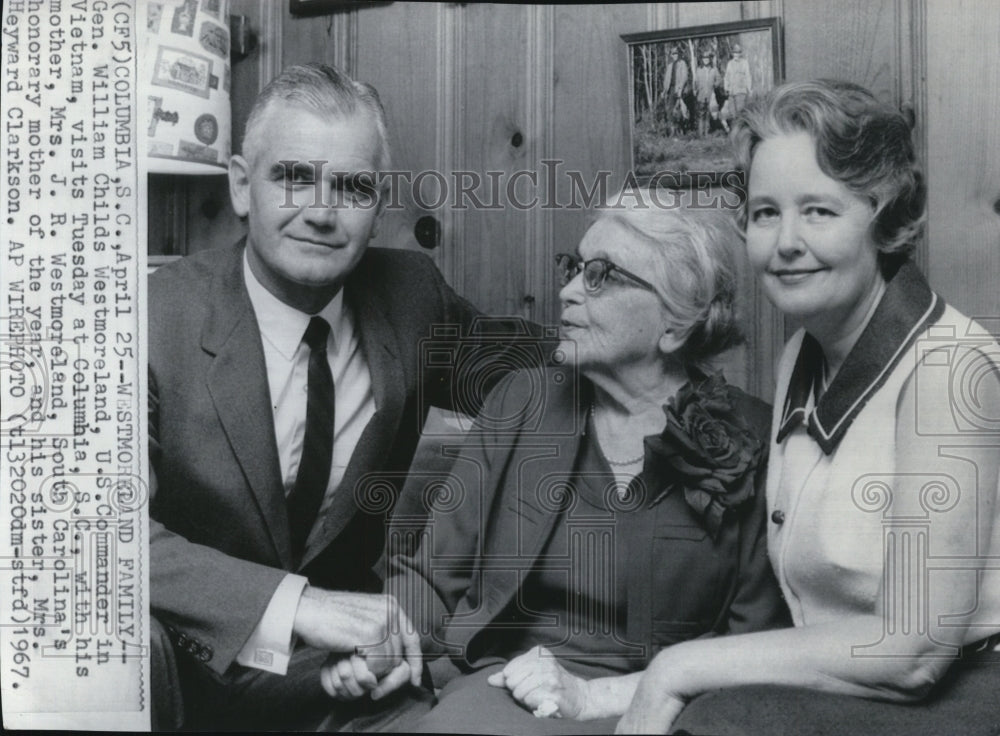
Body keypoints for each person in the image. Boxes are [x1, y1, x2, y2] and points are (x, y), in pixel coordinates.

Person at [148, 63, 549, 730]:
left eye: (353, 187)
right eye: (294, 177)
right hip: (181, 674)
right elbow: (92, 534)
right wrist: (296, 604)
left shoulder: (411, 295)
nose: (323, 213)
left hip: (355, 674)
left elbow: (538, 363)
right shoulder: (152, 321)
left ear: (379, 205)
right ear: (242, 186)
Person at [618, 80, 1000, 735]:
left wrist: (677, 668)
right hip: (851, 687)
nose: (785, 242)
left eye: (818, 211)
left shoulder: (948, 370)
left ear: (884, 220)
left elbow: (911, 650)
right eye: (766, 213)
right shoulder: (800, 352)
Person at [325, 197, 790, 733]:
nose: (567, 291)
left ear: (675, 323)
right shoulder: (520, 402)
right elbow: (431, 577)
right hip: (509, 689)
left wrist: (621, 696)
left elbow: (754, 645)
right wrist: (381, 639)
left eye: (601, 276)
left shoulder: (752, 439)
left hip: (666, 709)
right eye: (574, 267)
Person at [662, 46, 692, 137]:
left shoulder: (682, 63)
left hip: (679, 90)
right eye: (673, 53)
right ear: (671, 55)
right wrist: (664, 92)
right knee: (670, 111)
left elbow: (684, 77)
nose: (675, 55)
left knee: (681, 111)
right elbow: (666, 80)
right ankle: (672, 132)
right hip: (671, 90)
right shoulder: (670, 66)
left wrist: (680, 89)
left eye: (676, 53)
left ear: (678, 54)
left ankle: (682, 131)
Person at [693, 50, 720, 137]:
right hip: (700, 95)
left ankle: (707, 134)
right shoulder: (698, 69)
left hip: (710, 96)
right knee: (701, 115)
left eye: (707, 58)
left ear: (710, 59)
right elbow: (695, 82)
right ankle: (701, 135)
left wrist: (714, 86)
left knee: (708, 115)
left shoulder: (714, 69)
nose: (706, 60)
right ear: (702, 59)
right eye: (704, 58)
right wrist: (695, 89)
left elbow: (719, 79)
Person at [723, 43, 752, 115]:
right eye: (735, 53)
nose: (736, 55)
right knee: (732, 112)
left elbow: (748, 76)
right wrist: (726, 88)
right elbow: (727, 76)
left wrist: (749, 88)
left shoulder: (744, 63)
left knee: (740, 112)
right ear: (732, 53)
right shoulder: (730, 63)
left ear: (740, 53)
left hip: (740, 91)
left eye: (738, 53)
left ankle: (739, 125)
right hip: (731, 92)